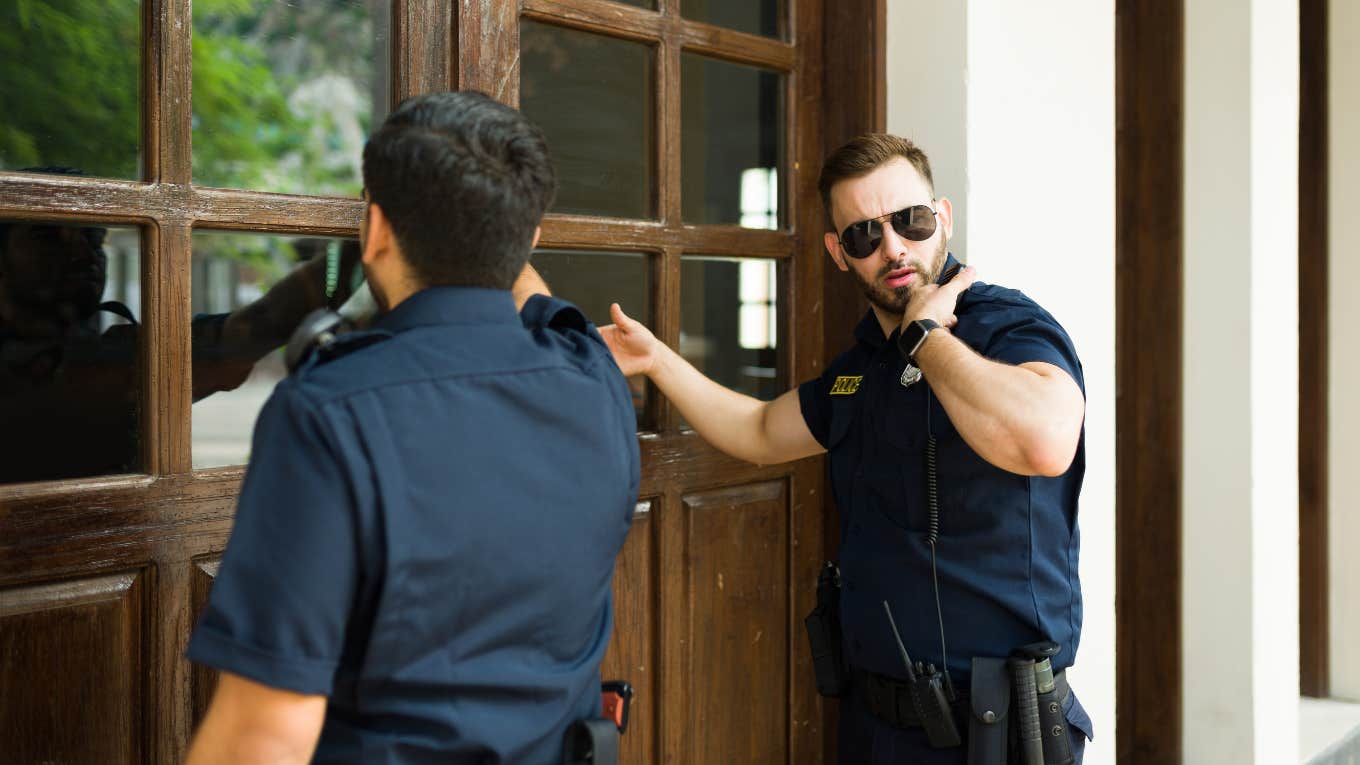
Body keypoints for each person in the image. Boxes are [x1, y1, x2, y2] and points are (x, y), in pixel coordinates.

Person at [602, 134, 1092, 763]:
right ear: (839, 253)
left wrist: (924, 336)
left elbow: (1046, 441)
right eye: (864, 235)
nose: (893, 248)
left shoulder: (1006, 328)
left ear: (942, 218)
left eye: (910, 222)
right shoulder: (862, 368)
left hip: (995, 734)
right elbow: (756, 430)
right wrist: (655, 361)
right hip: (877, 725)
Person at [184, 91, 640, 764]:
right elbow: (531, 290)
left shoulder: (328, 413)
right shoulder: (593, 375)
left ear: (375, 230)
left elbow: (264, 736)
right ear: (532, 236)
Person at [0, 169, 363, 483]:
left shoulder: (112, 349)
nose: (85, 253)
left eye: (93, 238)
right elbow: (243, 337)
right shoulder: (59, 368)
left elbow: (242, 337)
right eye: (47, 238)